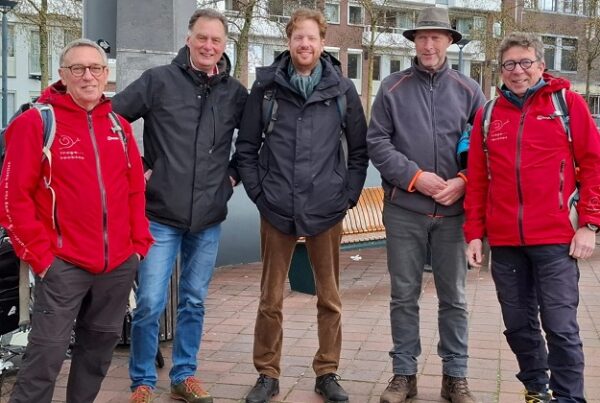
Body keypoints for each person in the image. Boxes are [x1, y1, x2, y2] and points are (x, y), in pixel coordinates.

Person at [0, 38, 153, 403]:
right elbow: (12, 199)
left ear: (105, 74)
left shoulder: (117, 125)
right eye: (78, 69)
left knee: (96, 355)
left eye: (96, 68)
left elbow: (134, 191)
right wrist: (41, 256)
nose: (88, 76)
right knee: (45, 358)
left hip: (117, 265)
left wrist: (138, 246)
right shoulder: (36, 123)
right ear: (62, 75)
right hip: (62, 264)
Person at [111, 8, 247, 403]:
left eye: (216, 40)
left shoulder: (236, 93)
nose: (208, 46)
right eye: (201, 38)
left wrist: (233, 176)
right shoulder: (158, 81)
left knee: (193, 300)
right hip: (160, 215)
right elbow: (111, 120)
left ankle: (184, 375)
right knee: (151, 301)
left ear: (223, 45)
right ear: (188, 39)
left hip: (208, 216)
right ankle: (142, 381)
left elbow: (254, 143)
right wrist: (136, 170)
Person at [234, 8, 368, 403]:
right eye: (298, 37)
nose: (304, 44)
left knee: (329, 297)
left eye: (311, 37)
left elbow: (358, 152)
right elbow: (246, 148)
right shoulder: (267, 88)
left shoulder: (342, 89)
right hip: (276, 207)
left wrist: (346, 197)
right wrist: (260, 194)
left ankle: (327, 371)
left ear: (322, 42)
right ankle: (267, 374)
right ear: (288, 42)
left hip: (327, 207)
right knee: (270, 298)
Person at [464, 32, 599, 403]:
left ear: (540, 65)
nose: (517, 71)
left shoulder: (566, 104)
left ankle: (570, 397)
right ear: (500, 70)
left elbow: (593, 165)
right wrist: (474, 233)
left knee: (560, 327)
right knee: (519, 326)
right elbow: (477, 178)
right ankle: (537, 389)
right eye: (509, 64)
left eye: (526, 62)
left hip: (556, 239)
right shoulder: (488, 114)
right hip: (506, 242)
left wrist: (589, 225)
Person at [366, 7, 485, 403]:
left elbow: (484, 147)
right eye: (422, 37)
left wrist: (464, 182)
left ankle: (456, 376)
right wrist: (416, 177)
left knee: (454, 298)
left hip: (454, 214)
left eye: (437, 37)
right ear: (413, 42)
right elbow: (377, 143)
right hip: (406, 211)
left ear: (450, 41)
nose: (429, 44)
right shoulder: (392, 88)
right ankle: (404, 375)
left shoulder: (470, 91)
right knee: (404, 296)